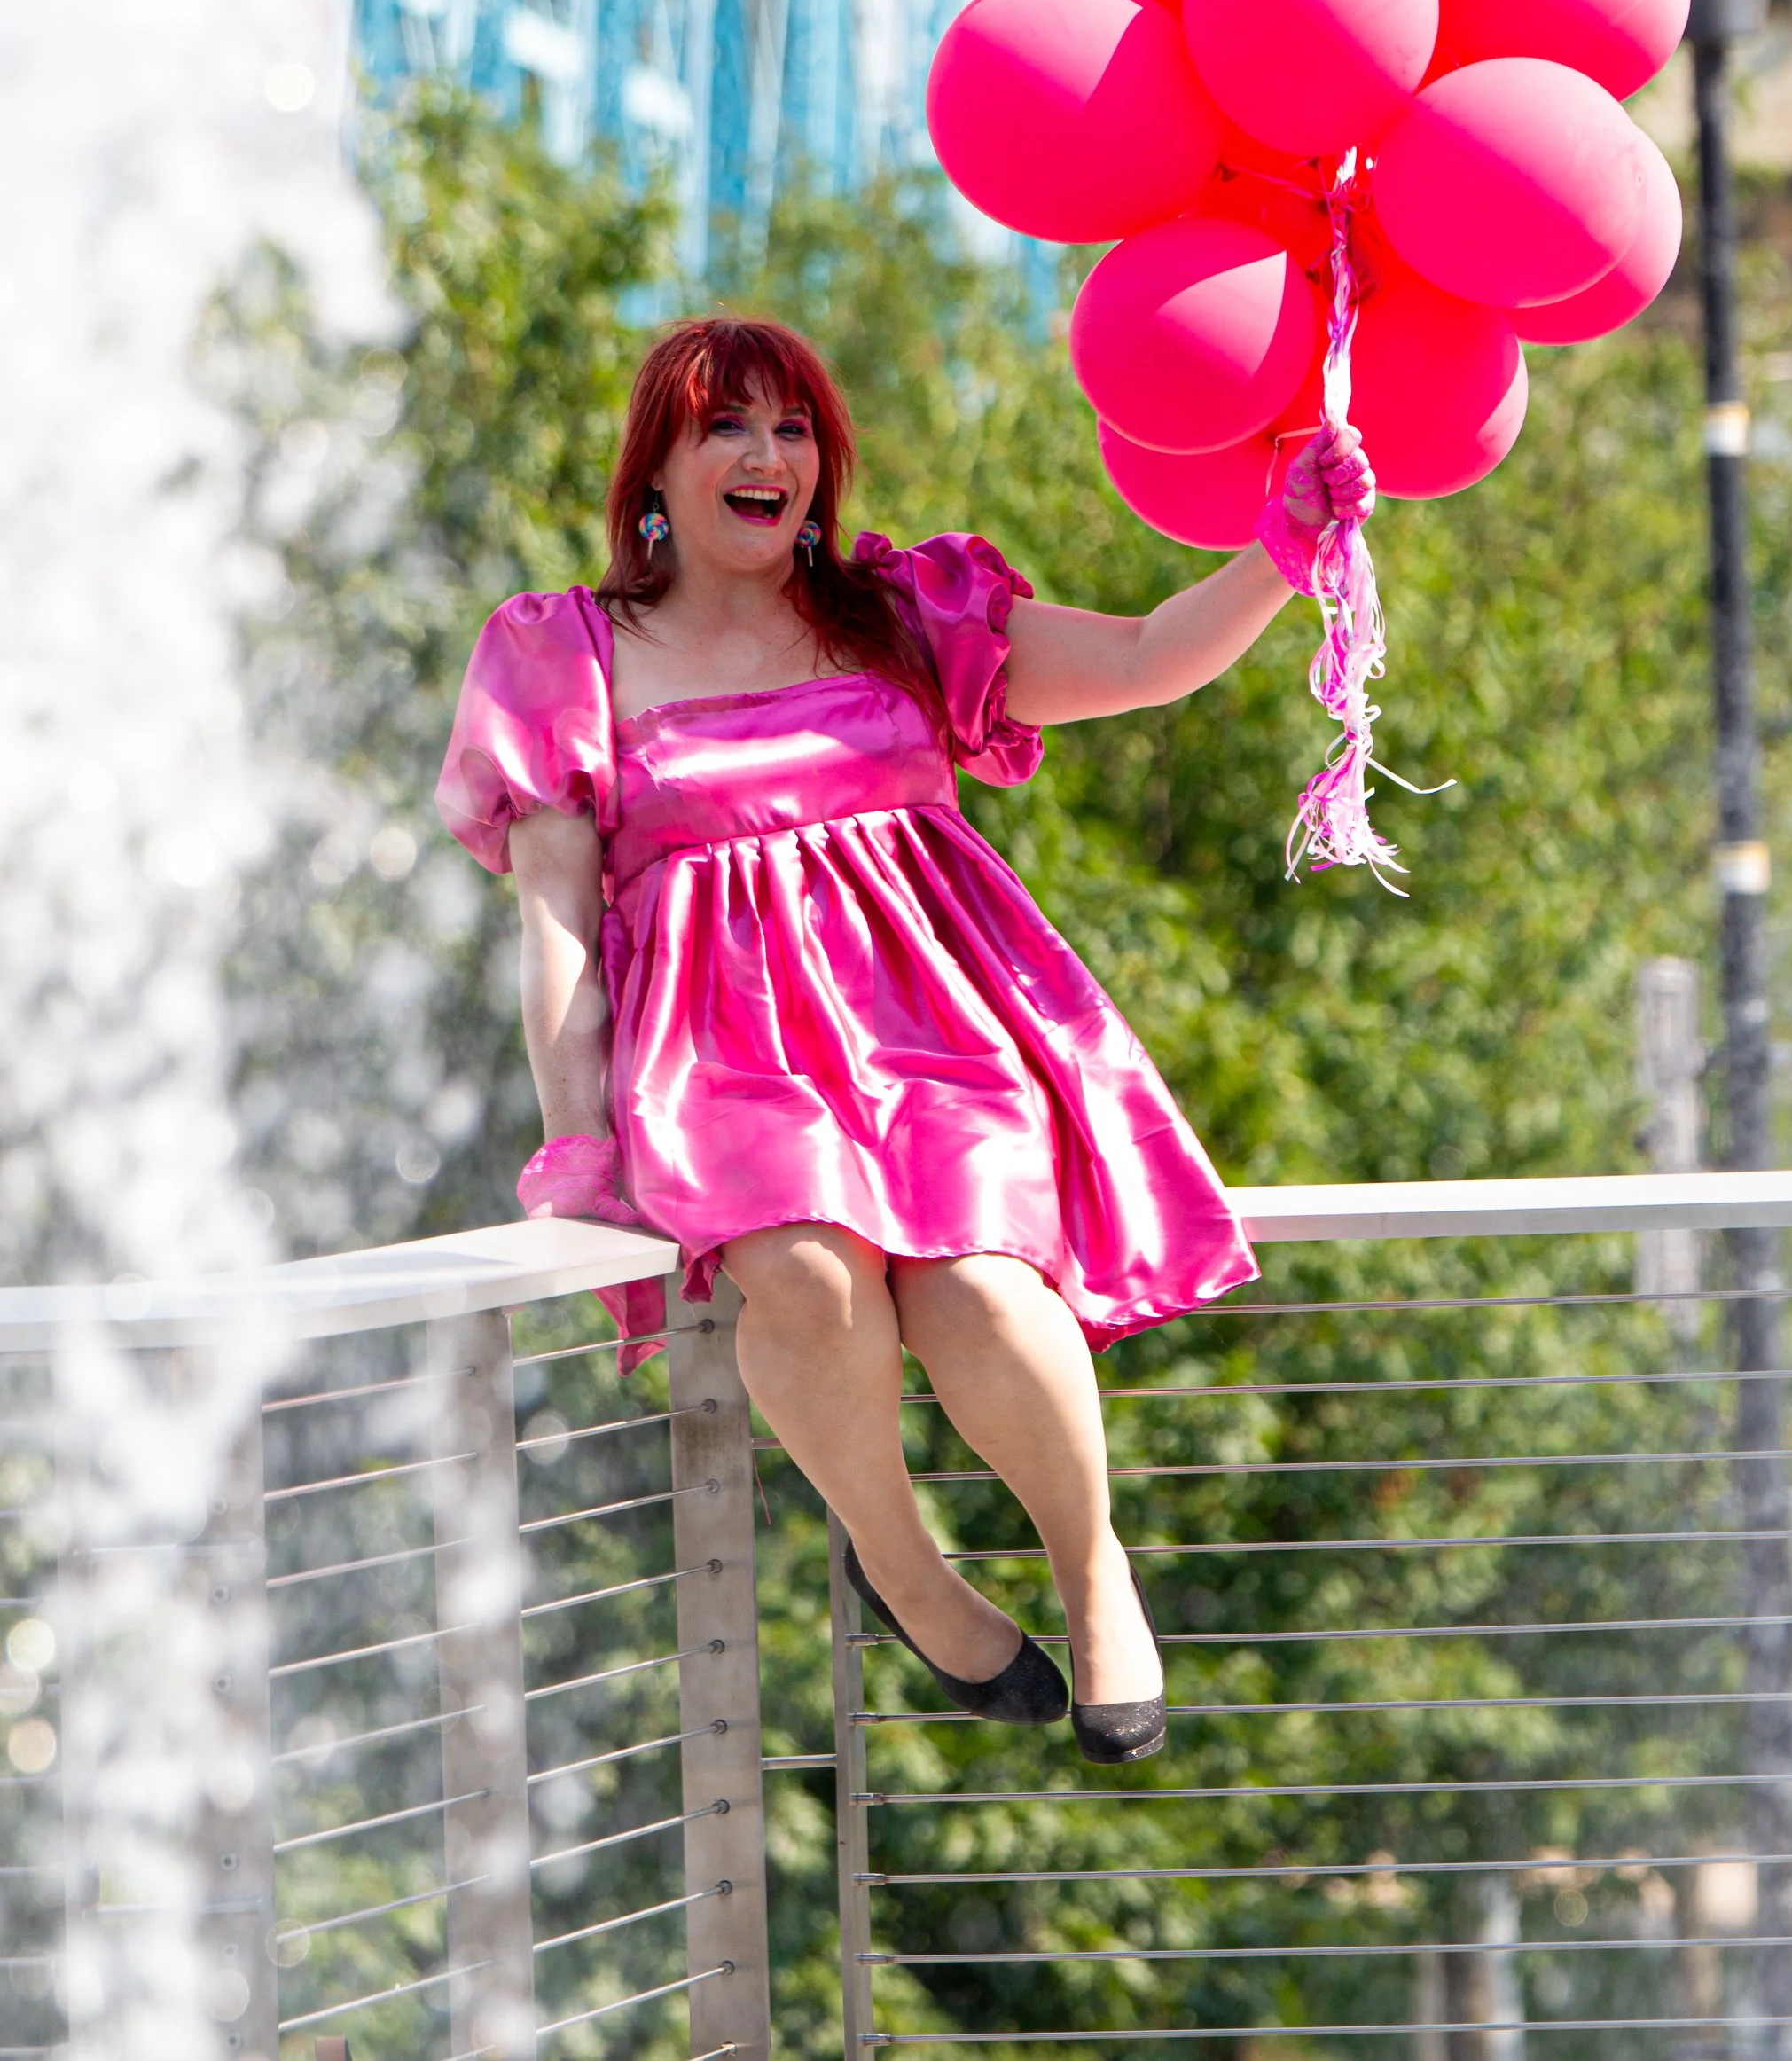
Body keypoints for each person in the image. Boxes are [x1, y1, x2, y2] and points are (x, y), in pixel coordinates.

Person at [437, 315, 1374, 1763]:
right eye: (726, 425)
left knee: (986, 1298)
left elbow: (1142, 655)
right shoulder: (564, 651)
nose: (768, 453)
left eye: (793, 427)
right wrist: (577, 1140)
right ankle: (908, 1567)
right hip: (724, 1061)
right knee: (809, 1278)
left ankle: (1095, 1574)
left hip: (932, 1028)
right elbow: (556, 919)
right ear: (656, 471)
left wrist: (1282, 544)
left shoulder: (904, 611)